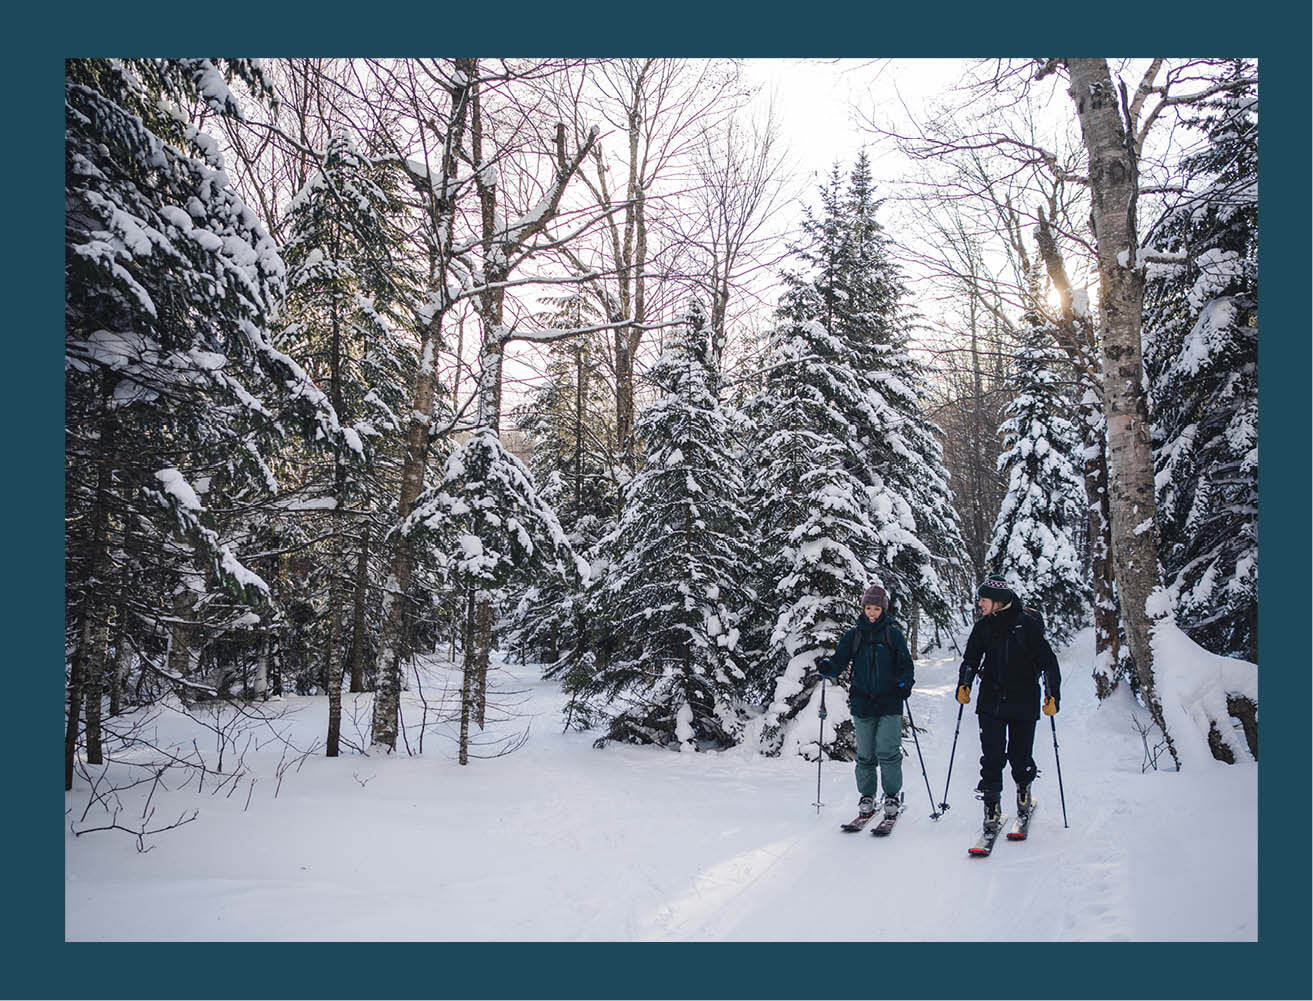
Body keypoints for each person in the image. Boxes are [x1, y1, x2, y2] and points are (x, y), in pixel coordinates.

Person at [956, 575, 1061, 831]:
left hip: (1024, 701)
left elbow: (1048, 662)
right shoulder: (983, 627)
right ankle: (991, 806)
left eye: (983, 599)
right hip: (991, 702)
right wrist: (964, 684)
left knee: (1019, 755)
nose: (979, 604)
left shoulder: (1027, 625)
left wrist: (1052, 694)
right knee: (992, 756)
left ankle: (1023, 789)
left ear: (998, 600)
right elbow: (970, 659)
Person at [818, 584, 915, 820]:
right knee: (865, 754)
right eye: (868, 608)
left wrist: (905, 683)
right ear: (863, 608)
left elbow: (906, 666)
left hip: (890, 702)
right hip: (862, 702)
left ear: (884, 610)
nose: (872, 613)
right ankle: (867, 796)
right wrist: (828, 667)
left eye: (876, 609)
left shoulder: (893, 634)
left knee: (888, 751)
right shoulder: (854, 635)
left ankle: (891, 795)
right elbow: (840, 661)